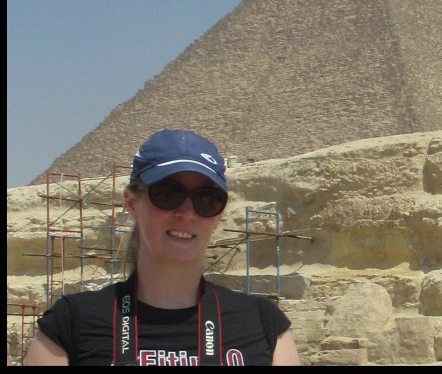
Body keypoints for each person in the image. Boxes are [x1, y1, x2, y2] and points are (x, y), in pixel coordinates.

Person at [23, 129, 301, 366]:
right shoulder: (70, 324)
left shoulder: (264, 325)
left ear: (220, 212)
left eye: (207, 200)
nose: (188, 213)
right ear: (132, 203)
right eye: (168, 194)